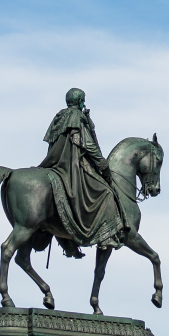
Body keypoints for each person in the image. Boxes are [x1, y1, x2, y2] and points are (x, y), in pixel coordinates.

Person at [39, 88, 126, 256]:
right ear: (79, 101)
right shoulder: (76, 118)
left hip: (55, 164)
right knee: (106, 193)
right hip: (73, 166)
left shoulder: (59, 118)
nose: (83, 104)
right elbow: (87, 144)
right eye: (82, 100)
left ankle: (68, 241)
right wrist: (102, 163)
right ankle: (106, 237)